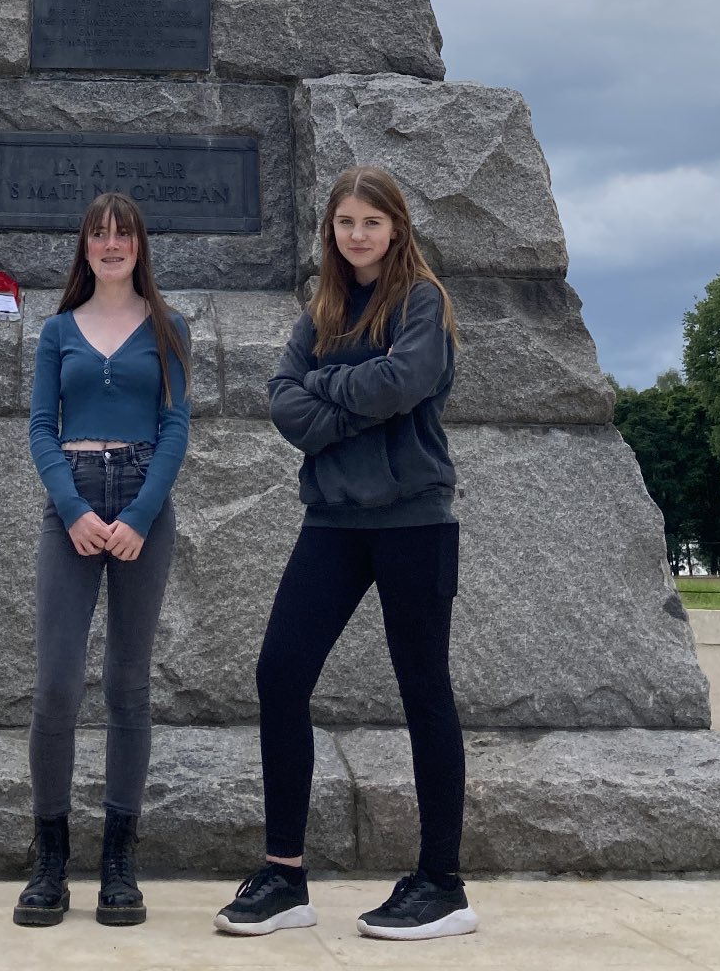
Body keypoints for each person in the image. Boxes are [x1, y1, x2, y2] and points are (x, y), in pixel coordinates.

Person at [214, 167, 478, 943]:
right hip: (331, 521)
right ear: (330, 233)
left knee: (424, 691)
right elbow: (283, 402)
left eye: (370, 221)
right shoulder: (321, 308)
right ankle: (286, 877)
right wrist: (353, 395)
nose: (356, 234)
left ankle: (443, 884)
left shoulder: (421, 301)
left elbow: (408, 380)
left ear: (396, 227)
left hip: (413, 521)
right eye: (344, 223)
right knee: (281, 673)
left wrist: (331, 388)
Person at [14, 191, 191, 929]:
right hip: (75, 504)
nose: (112, 245)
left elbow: (176, 425)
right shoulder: (58, 330)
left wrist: (140, 515)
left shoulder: (169, 327)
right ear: (84, 249)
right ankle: (50, 858)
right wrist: (75, 510)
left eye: (123, 234)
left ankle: (119, 861)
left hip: (143, 501)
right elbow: (39, 427)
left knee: (127, 685)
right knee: (57, 686)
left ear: (139, 246)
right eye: (99, 234)